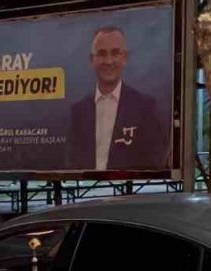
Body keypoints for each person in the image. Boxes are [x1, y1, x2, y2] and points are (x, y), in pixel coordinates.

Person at [68, 26, 168, 171]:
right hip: (87, 189)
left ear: (125, 58)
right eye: (102, 54)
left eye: (115, 53)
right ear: (92, 60)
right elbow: (72, 161)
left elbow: (154, 159)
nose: (108, 61)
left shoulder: (146, 107)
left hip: (128, 190)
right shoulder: (78, 111)